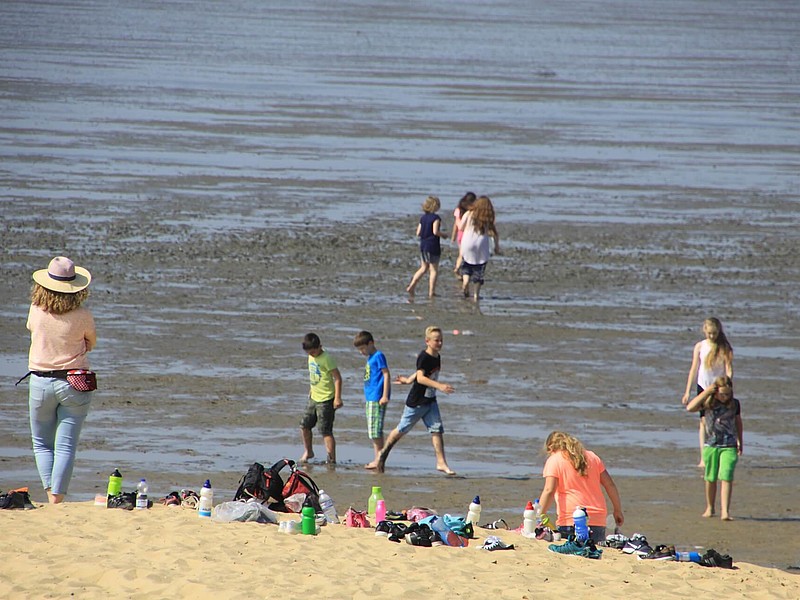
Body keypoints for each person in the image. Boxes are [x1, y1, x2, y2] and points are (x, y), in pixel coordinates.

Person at [25, 256, 96, 504]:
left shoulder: (35, 310)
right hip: (74, 383)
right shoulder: (83, 314)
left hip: (40, 382)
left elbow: (32, 330)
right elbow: (90, 343)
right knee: (65, 446)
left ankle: (50, 495)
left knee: (42, 443)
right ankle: (56, 499)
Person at [376, 326, 455, 475]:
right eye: (436, 340)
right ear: (427, 341)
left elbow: (419, 373)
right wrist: (440, 386)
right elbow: (421, 377)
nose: (439, 343)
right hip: (416, 402)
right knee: (401, 429)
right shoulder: (424, 357)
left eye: (441, 340)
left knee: (437, 430)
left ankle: (441, 463)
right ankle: (383, 453)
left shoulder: (436, 356)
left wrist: (407, 380)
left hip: (430, 401)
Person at [537, 431, 624, 543]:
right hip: (597, 519)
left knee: (572, 553)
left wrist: (539, 516)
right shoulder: (592, 457)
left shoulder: (555, 460)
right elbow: (610, 485)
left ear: (551, 448)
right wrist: (617, 510)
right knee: (593, 553)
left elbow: (549, 490)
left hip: (571, 519)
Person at [686, 375, 743, 521]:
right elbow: (690, 407)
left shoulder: (734, 404)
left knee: (727, 476)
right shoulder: (708, 402)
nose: (725, 397)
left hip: (729, 445)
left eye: (728, 394)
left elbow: (738, 423)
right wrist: (707, 392)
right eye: (722, 394)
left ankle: (725, 511)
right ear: (716, 391)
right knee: (710, 478)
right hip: (711, 444)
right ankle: (710, 507)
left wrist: (740, 441)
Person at [681, 317, 734, 467]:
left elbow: (729, 369)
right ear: (704, 330)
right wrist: (687, 392)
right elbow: (694, 369)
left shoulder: (724, 347)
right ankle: (703, 458)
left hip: (718, 389)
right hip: (703, 388)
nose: (712, 336)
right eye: (709, 333)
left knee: (719, 420)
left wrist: (727, 386)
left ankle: (721, 449)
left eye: (714, 333)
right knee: (704, 421)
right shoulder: (700, 346)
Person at [300, 333, 343, 464]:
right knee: (304, 425)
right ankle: (308, 451)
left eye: (314, 351)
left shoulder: (326, 358)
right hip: (313, 397)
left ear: (320, 346)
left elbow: (338, 378)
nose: (312, 354)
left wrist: (337, 398)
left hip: (326, 399)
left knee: (325, 430)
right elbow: (313, 376)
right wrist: (311, 390)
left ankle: (331, 459)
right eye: (309, 352)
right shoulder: (310, 357)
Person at [353, 330, 391, 470]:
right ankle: (378, 457)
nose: (361, 352)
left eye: (363, 348)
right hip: (370, 397)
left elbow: (386, 374)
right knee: (373, 430)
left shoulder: (378, 356)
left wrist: (385, 395)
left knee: (375, 431)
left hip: (377, 397)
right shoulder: (370, 358)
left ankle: (378, 458)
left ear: (371, 343)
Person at [459, 195, 501, 301]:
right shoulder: (487, 219)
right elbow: (495, 234)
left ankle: (465, 283)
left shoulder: (469, 214)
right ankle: (476, 295)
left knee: (466, 266)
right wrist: (496, 247)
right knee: (479, 269)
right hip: (481, 245)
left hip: (467, 243)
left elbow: (460, 227)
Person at [406, 196, 446, 298]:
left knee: (423, 268)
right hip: (433, 245)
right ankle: (431, 292)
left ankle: (412, 285)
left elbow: (418, 232)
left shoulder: (423, 218)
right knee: (433, 270)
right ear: (434, 206)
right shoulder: (436, 218)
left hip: (423, 245)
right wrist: (443, 235)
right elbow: (435, 231)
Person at [450, 192, 476, 276]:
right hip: (467, 235)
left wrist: (453, 236)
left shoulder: (458, 210)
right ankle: (458, 268)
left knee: (461, 253)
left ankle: (460, 270)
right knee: (463, 255)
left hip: (460, 235)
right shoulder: (471, 211)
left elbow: (455, 224)